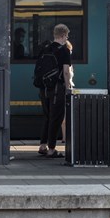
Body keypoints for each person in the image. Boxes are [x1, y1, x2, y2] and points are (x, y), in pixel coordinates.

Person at [37, 24, 73, 159]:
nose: (67, 38)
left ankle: (42, 145)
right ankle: (51, 149)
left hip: (43, 88)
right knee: (56, 117)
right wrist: (68, 87)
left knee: (47, 116)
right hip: (57, 88)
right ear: (63, 35)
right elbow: (65, 71)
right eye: (67, 36)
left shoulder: (45, 48)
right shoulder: (63, 50)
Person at [59, 39, 75, 143]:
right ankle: (65, 137)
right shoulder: (66, 62)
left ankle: (65, 137)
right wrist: (68, 88)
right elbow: (67, 74)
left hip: (63, 87)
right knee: (65, 115)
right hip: (66, 88)